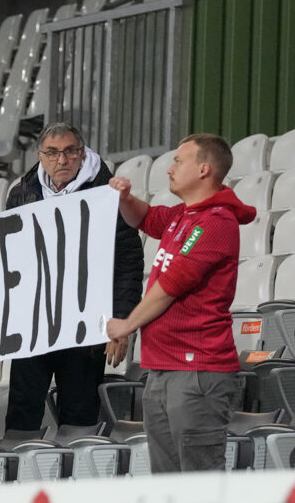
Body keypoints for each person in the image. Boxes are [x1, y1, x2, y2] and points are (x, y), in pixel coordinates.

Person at [106, 134, 255, 472]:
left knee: (198, 483)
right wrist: (125, 199)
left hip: (196, 372)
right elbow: (144, 218)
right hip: (163, 369)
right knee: (169, 485)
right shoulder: (182, 216)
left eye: (177, 161)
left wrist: (127, 324)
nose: (169, 169)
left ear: (203, 169)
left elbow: (170, 286)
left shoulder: (215, 222)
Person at [2, 124, 144, 442]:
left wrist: (121, 321)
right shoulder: (20, 194)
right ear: (40, 156)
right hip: (35, 324)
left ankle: (77, 473)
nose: (62, 159)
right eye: (52, 153)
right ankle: (18, 472)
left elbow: (128, 262)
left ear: (81, 153)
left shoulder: (108, 193)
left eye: (70, 151)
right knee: (21, 415)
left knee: (80, 418)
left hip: (87, 324)